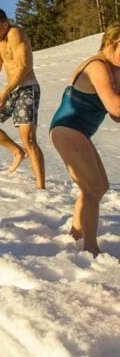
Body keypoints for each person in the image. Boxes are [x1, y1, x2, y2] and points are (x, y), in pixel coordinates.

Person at [49, 24, 120, 256]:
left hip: (75, 131)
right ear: (111, 43)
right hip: (68, 128)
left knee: (98, 187)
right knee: (94, 187)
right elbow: (115, 106)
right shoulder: (98, 66)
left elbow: (115, 116)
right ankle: (90, 247)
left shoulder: (112, 70)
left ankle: (76, 235)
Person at [0, 8, 45, 189]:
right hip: (11, 90)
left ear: (5, 24)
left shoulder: (15, 34)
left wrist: (5, 92)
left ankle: (41, 187)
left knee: (28, 139)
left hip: (27, 88)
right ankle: (17, 152)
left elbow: (23, 67)